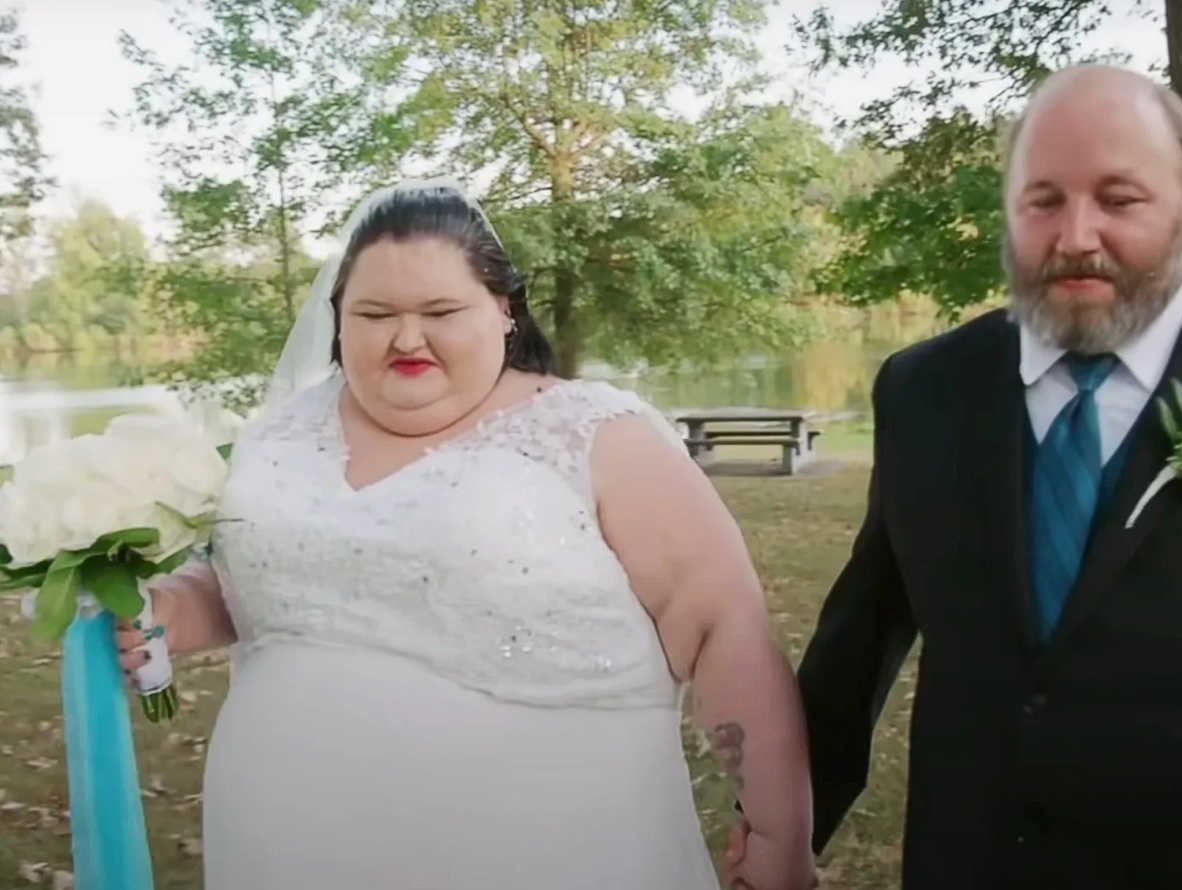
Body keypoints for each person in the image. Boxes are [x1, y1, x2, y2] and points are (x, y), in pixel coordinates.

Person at [743, 65, 1182, 888]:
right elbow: (857, 647)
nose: (1076, 235)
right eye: (1043, 200)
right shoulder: (925, 393)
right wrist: (780, 832)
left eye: (1118, 199)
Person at [114, 181, 817, 890]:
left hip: (547, 853)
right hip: (281, 847)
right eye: (375, 313)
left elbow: (724, 626)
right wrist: (168, 611)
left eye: (441, 311)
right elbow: (259, 584)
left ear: (503, 310)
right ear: (338, 318)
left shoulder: (595, 436)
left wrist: (776, 828)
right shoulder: (280, 434)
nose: (406, 337)